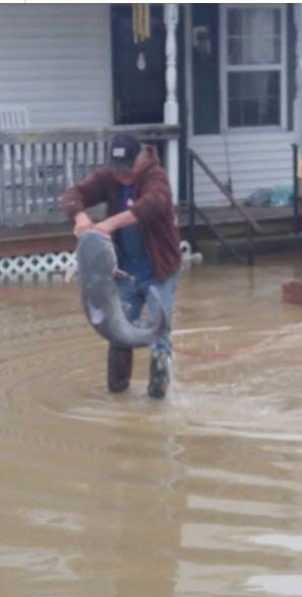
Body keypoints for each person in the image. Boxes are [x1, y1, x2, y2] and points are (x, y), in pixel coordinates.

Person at [60, 134, 182, 399]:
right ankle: (117, 395)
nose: (122, 176)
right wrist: (79, 215)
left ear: (140, 158)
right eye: (117, 170)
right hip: (125, 274)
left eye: (127, 169)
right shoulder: (108, 176)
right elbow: (73, 194)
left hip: (160, 271)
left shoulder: (155, 176)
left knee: (160, 332)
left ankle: (158, 398)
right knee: (118, 333)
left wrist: (108, 224)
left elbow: (155, 204)